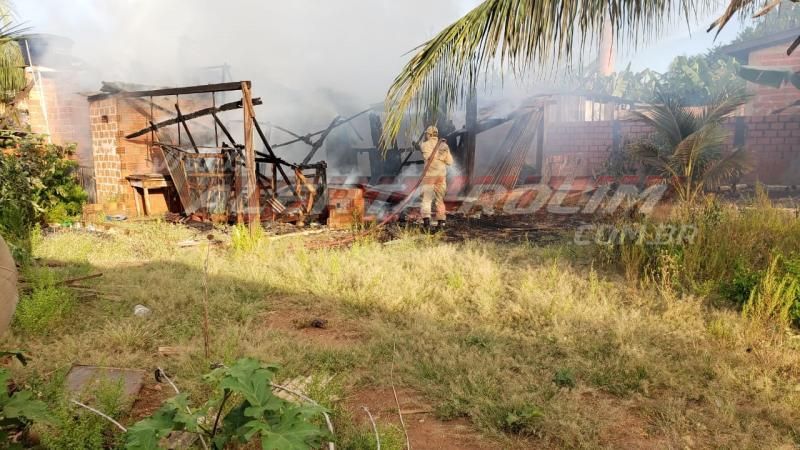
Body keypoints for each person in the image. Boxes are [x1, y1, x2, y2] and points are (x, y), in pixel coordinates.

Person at [419, 125, 453, 229]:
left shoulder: (424, 145)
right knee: (440, 200)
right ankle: (441, 222)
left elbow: (426, 157)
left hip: (429, 177)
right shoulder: (444, 146)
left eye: (426, 134)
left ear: (428, 134)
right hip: (441, 177)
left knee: (427, 199)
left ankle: (426, 222)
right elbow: (450, 162)